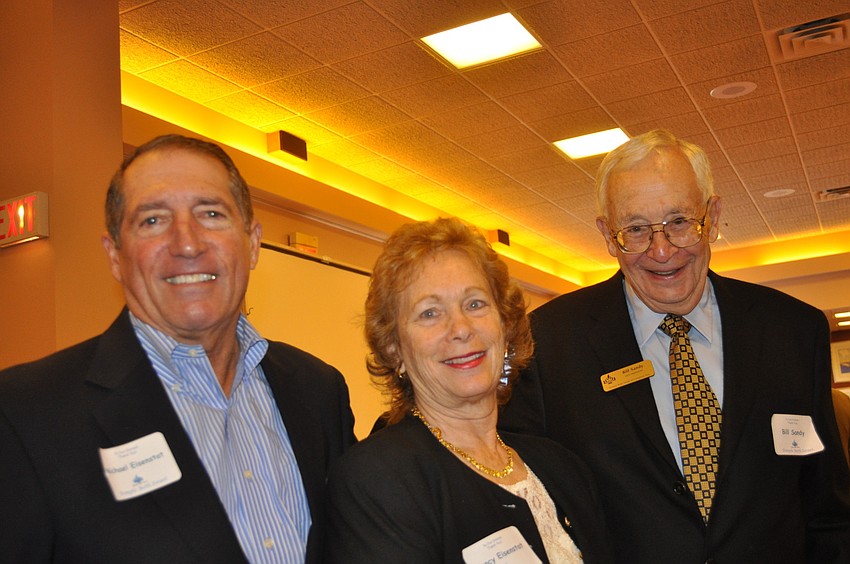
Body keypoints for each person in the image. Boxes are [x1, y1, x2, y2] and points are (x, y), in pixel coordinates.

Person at [0, 134, 356, 563]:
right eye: (152, 220)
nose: (187, 243)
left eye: (211, 214)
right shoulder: (25, 414)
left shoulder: (318, 390)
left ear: (252, 243)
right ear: (114, 256)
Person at [500, 129, 850, 563]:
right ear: (608, 235)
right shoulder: (548, 344)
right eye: (636, 229)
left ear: (713, 217)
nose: (662, 251)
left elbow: (828, 511)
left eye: (680, 222)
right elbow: (526, 511)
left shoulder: (792, 331)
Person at [324, 217, 612, 563]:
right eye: (430, 313)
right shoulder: (379, 478)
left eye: (475, 304)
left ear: (505, 324)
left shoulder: (563, 467)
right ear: (394, 349)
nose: (460, 328)